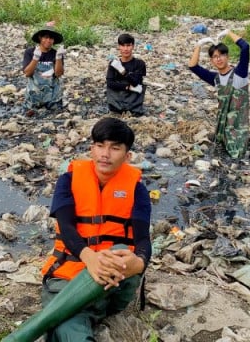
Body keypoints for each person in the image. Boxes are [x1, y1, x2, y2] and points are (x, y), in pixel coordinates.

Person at [39, 117, 152, 341]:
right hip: (69, 278)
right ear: (91, 149)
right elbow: (67, 228)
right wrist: (90, 258)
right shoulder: (68, 181)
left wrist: (138, 264)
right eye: (100, 146)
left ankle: (95, 309)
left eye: (115, 148)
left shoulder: (137, 189)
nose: (105, 154)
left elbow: (142, 241)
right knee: (67, 326)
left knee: (121, 248)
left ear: (127, 155)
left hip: (114, 281)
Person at [188, 29, 250, 159]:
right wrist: (199, 45)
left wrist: (228, 33)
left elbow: (245, 47)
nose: (218, 59)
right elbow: (193, 66)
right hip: (222, 126)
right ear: (211, 61)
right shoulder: (215, 79)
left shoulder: (240, 73)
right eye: (215, 57)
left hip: (238, 127)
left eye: (221, 55)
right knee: (218, 149)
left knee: (236, 154)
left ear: (227, 56)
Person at [22, 26, 66, 113]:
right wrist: (35, 58)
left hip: (53, 97)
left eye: (51, 38)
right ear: (40, 38)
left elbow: (58, 74)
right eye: (46, 37)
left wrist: (58, 58)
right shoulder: (30, 52)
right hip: (33, 96)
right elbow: (27, 73)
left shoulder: (56, 54)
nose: (48, 41)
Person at [106, 33, 147, 116]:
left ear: (133, 46)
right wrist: (127, 87)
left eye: (128, 45)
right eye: (123, 46)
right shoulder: (113, 64)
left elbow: (136, 82)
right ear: (119, 46)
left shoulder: (139, 64)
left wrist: (123, 71)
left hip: (133, 102)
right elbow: (109, 83)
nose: (125, 49)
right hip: (116, 101)